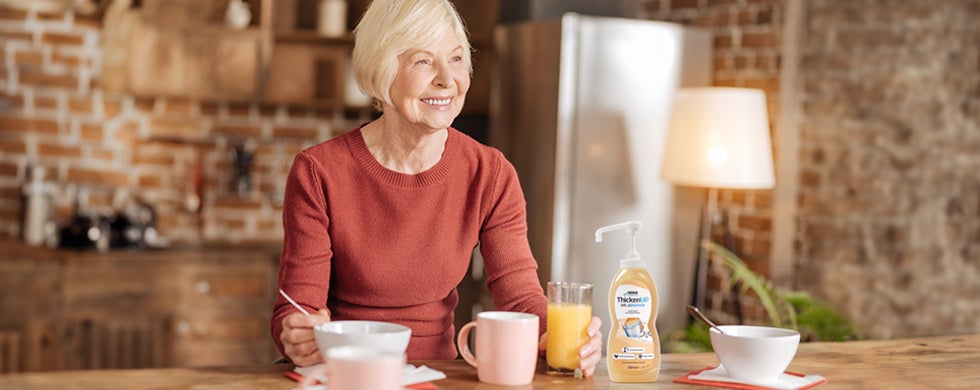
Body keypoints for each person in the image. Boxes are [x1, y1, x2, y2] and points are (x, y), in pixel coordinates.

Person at [271, 0, 603, 377]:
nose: (448, 79)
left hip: (437, 377)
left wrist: (557, 336)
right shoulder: (319, 171)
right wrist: (299, 336)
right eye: (423, 61)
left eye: (457, 59)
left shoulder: (490, 174)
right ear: (382, 72)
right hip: (344, 375)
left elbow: (520, 297)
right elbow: (296, 309)